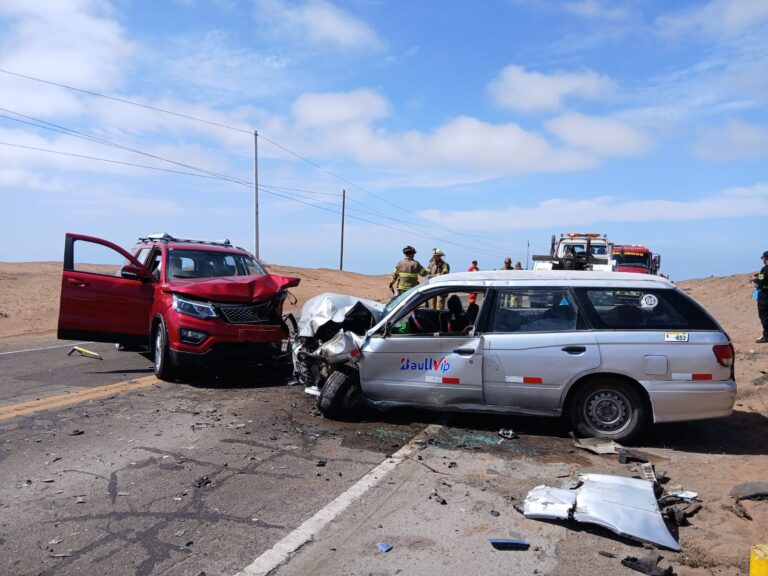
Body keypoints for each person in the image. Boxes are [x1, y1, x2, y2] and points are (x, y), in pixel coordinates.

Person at [753, 250, 768, 343]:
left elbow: (761, 280)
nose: (762, 260)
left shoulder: (765, 269)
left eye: (763, 258)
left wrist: (754, 280)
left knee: (764, 315)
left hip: (764, 295)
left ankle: (766, 336)